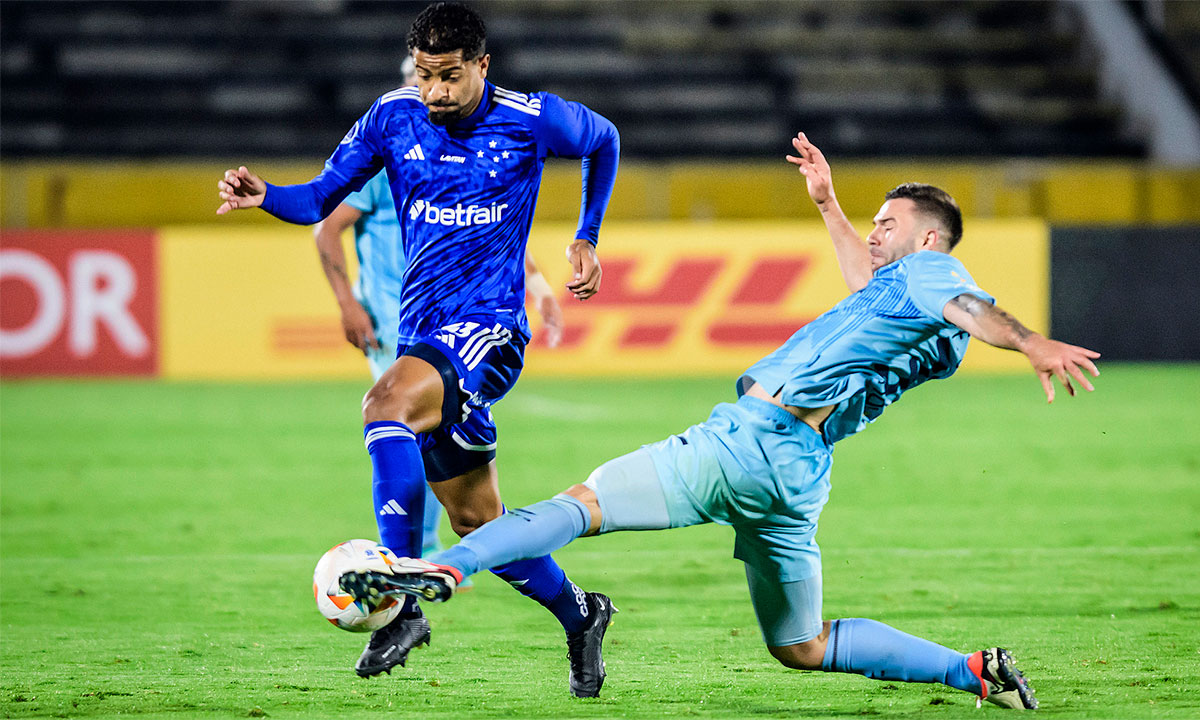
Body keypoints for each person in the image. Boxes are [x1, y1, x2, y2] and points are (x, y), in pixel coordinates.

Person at [339, 132, 1103, 709]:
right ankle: (975, 672)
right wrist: (829, 206)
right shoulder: (920, 318)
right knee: (801, 646)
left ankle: (443, 567)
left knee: (581, 507)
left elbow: (965, 301)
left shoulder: (939, 273)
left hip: (745, 441)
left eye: (887, 222)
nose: (876, 232)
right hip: (798, 477)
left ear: (929, 239)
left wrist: (1032, 342)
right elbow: (891, 292)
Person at [217, 2, 619, 694]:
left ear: (482, 67)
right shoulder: (391, 118)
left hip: (491, 331)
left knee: (385, 401)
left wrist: (586, 235)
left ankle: (400, 607)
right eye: (427, 76)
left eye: (451, 77)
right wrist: (266, 196)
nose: (435, 91)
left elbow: (604, 138)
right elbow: (319, 201)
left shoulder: (531, 120)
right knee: (476, 521)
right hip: (424, 332)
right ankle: (581, 614)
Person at [312, 170, 564, 569]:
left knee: (473, 506)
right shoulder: (383, 167)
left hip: (460, 330)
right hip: (395, 324)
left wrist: (540, 287)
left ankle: (578, 608)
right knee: (402, 421)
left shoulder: (468, 161)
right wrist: (348, 304)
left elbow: (503, 230)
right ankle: (422, 554)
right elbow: (327, 228)